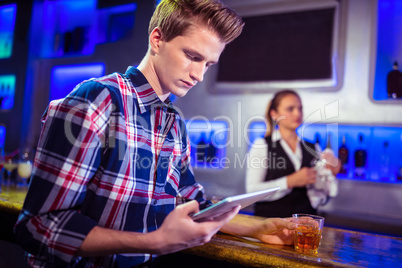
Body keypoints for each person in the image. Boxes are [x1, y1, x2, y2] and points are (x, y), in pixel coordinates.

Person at [15, 1, 296, 267]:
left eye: (208, 64)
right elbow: (38, 226)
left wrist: (257, 228)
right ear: (157, 39)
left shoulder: (175, 122)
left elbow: (190, 202)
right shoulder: (99, 99)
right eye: (192, 56)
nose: (199, 75)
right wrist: (154, 242)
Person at [246, 90, 341, 218]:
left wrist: (331, 175)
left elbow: (321, 198)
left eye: (300, 108)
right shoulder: (262, 145)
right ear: (274, 114)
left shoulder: (314, 147)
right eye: (290, 109)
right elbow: (252, 191)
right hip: (270, 226)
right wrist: (289, 181)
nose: (297, 113)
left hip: (305, 227)